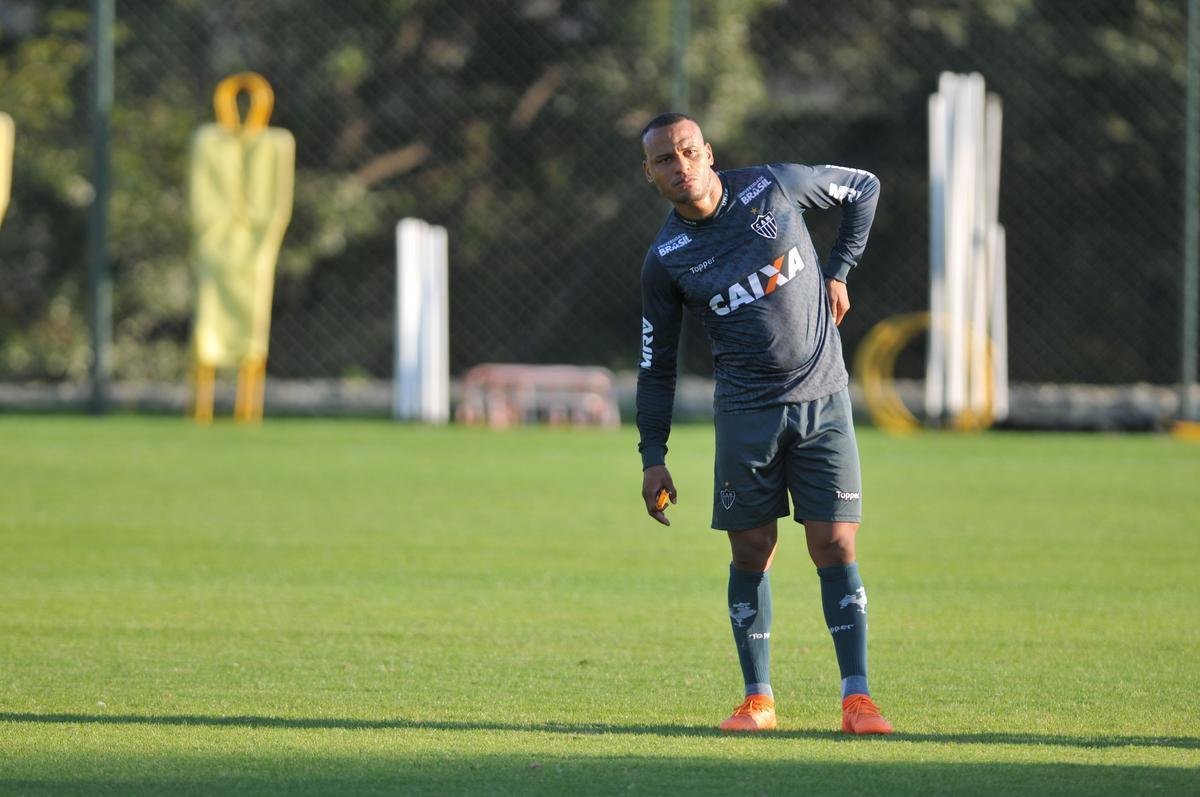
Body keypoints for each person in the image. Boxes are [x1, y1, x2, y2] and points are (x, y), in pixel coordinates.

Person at [635, 112, 892, 735]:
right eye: (665, 159)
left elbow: (864, 187)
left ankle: (857, 700)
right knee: (752, 549)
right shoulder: (665, 261)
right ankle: (758, 700)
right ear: (651, 175)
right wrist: (653, 456)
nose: (680, 166)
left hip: (822, 398)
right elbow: (656, 364)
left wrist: (839, 271)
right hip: (745, 414)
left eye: (688, 151)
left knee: (835, 543)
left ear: (708, 153)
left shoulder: (773, 187)